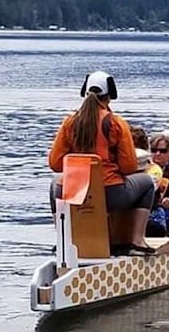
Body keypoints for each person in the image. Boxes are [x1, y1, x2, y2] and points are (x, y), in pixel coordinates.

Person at [48, 70, 157, 256]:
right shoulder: (115, 123)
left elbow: (55, 163)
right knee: (147, 183)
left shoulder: (69, 122)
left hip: (75, 193)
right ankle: (136, 241)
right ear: (110, 95)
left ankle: (64, 240)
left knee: (55, 184)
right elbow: (128, 166)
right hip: (110, 193)